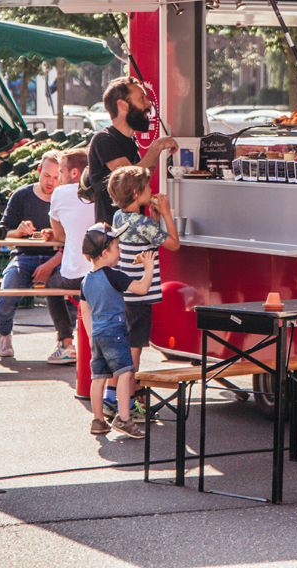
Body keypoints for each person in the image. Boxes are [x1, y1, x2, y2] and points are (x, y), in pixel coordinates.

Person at [103, 165, 181, 418]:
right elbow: (174, 244)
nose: (151, 191)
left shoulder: (119, 217)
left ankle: (110, 399)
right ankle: (132, 405)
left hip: (122, 294)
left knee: (122, 348)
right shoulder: (143, 223)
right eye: (147, 188)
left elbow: (145, 242)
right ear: (137, 193)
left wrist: (154, 217)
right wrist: (167, 214)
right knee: (134, 351)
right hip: (140, 298)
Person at [81, 223, 155, 438]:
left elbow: (85, 311)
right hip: (115, 331)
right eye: (116, 247)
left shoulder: (86, 280)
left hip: (97, 335)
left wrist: (91, 334)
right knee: (126, 373)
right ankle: (124, 419)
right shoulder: (114, 275)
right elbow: (142, 289)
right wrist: (148, 268)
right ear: (105, 253)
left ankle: (98, 420)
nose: (120, 251)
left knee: (99, 377)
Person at [0, 153, 62, 359]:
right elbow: (3, 232)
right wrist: (19, 232)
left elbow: (73, 238)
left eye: (56, 177)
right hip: (25, 256)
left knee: (70, 293)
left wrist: (51, 261)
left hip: (58, 258)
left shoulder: (65, 197)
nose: (51, 182)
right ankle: (4, 334)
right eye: (47, 176)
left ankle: (65, 341)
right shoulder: (22, 195)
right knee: (7, 294)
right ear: (39, 171)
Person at [86, 75, 177, 223]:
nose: (148, 104)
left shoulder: (130, 141)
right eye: (142, 98)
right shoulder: (104, 139)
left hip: (132, 238)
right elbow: (131, 181)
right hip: (113, 239)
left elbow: (141, 183)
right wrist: (157, 146)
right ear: (123, 105)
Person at [43, 147, 96, 365]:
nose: (59, 178)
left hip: (75, 274)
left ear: (74, 173)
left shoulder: (60, 193)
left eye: (62, 172)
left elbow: (60, 235)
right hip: (102, 271)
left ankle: (65, 343)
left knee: (51, 285)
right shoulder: (100, 191)